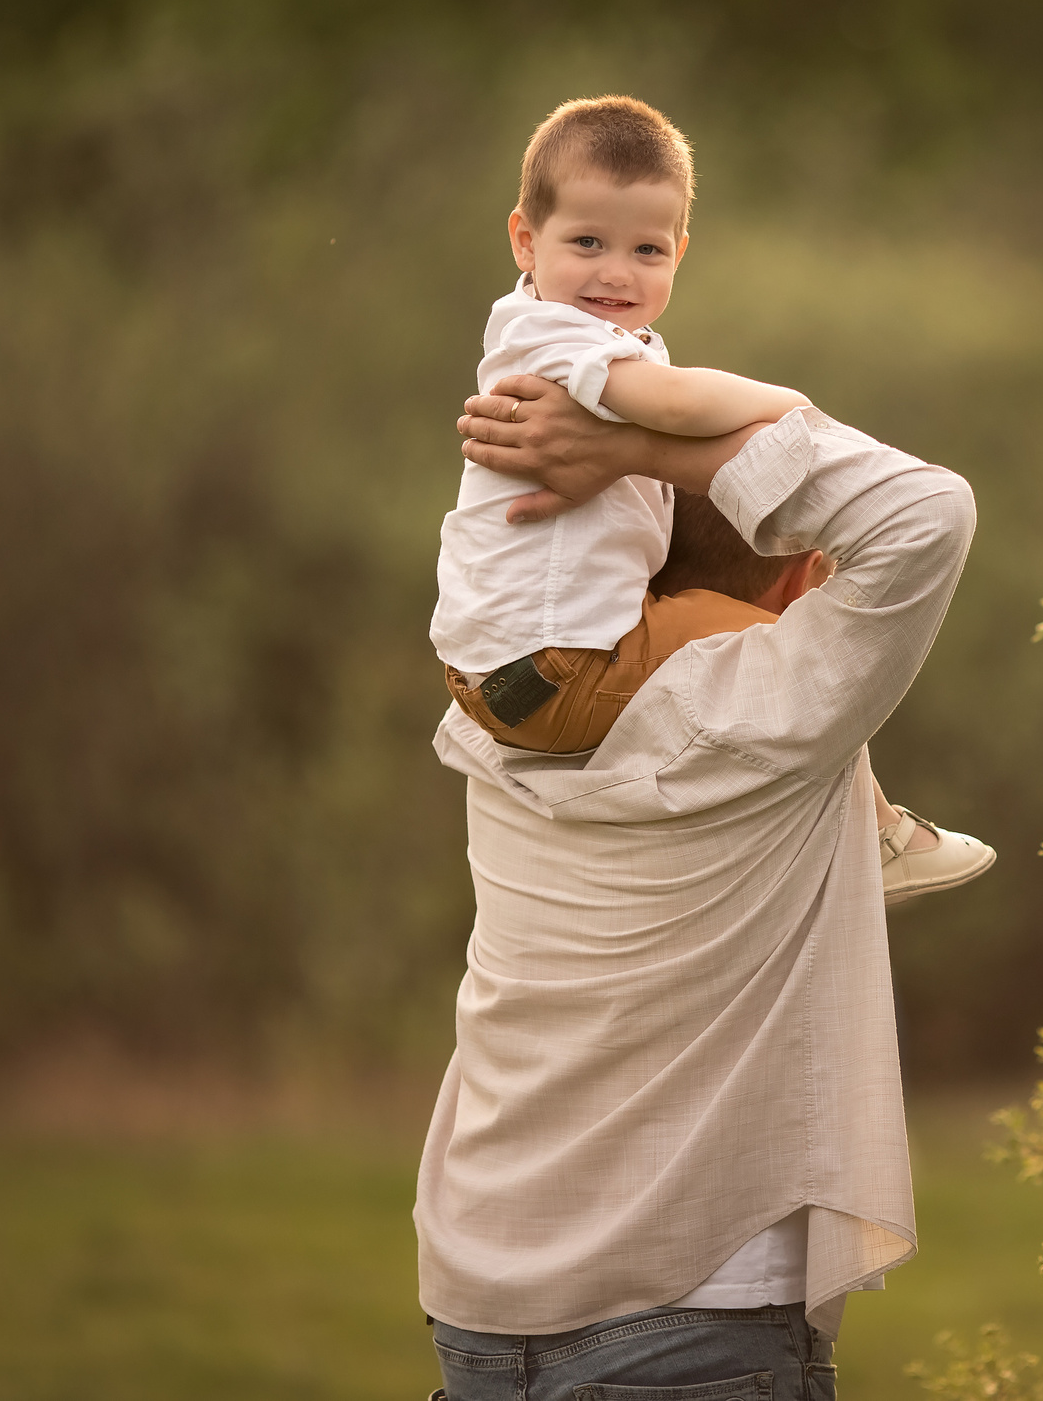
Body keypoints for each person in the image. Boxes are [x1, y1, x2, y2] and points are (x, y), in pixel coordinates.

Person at [416, 367, 976, 1399]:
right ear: (805, 574)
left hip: (477, 1306)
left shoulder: (492, 719)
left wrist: (615, 469)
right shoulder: (775, 715)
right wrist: (648, 448)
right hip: (695, 1306)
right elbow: (926, 510)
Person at [432, 93, 990, 902]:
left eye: (646, 250)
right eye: (586, 241)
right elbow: (680, 407)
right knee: (792, 657)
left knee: (770, 629)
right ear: (526, 236)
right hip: (561, 672)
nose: (616, 272)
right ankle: (880, 835)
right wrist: (789, 403)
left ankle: (868, 827)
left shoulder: (574, 333)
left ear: (679, 253)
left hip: (503, 668)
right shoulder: (558, 336)